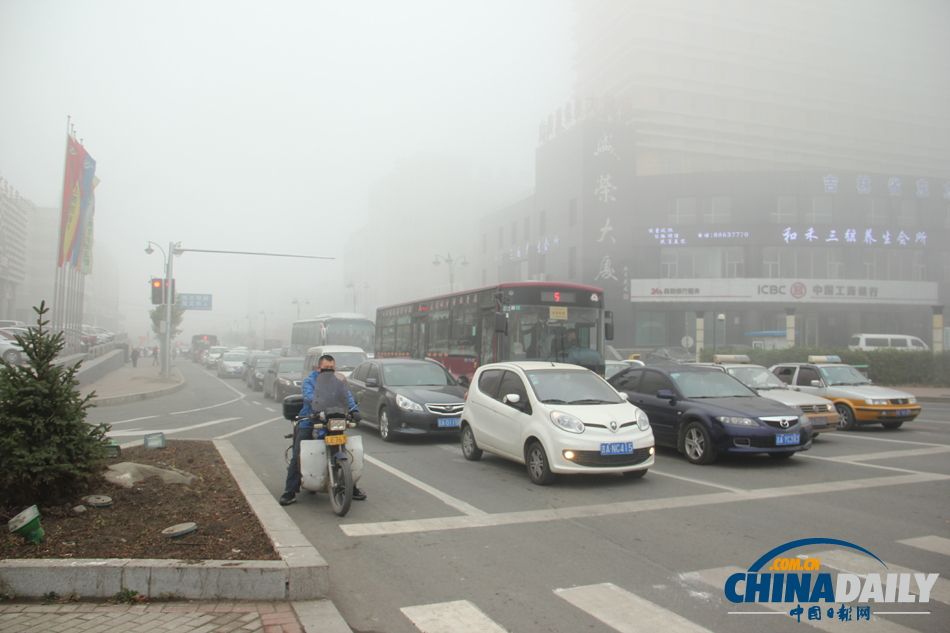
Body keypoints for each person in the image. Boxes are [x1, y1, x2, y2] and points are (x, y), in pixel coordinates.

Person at [279, 354, 366, 506]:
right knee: (299, 454)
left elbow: (347, 397)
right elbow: (309, 396)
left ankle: (351, 487)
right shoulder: (310, 381)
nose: (329, 371)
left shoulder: (337, 383)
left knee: (344, 449)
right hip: (310, 421)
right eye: (326, 368)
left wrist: (354, 410)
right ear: (318, 368)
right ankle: (290, 490)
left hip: (332, 420)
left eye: (332, 369)